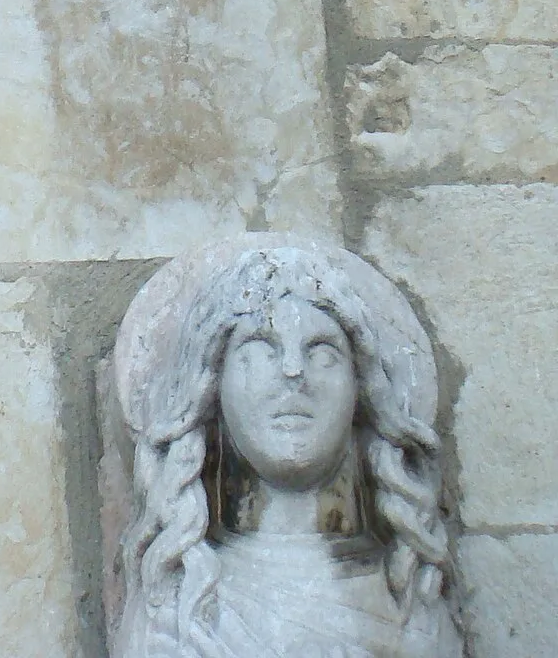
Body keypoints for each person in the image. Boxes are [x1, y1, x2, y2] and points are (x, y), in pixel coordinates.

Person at [114, 243, 461, 658]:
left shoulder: (412, 599)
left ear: (363, 394)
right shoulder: (176, 608)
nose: (294, 372)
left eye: (323, 353)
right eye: (260, 350)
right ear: (210, 391)